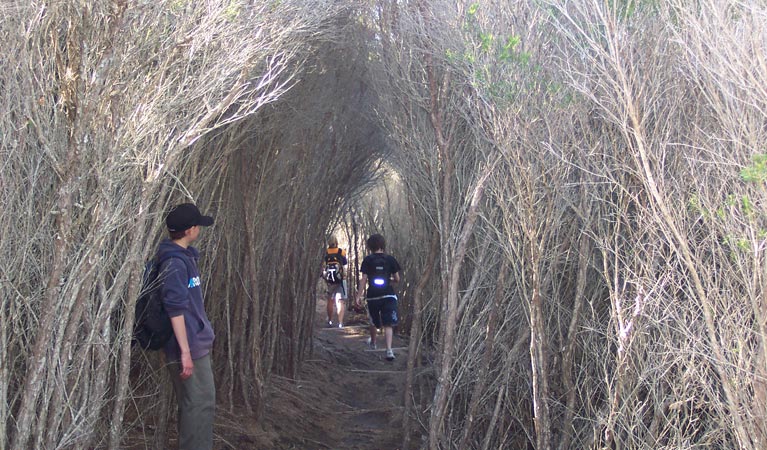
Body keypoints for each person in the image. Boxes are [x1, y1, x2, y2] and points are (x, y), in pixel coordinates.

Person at [158, 203, 216, 450]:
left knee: (198, 404)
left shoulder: (184, 257)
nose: (199, 229)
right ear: (190, 229)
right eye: (197, 226)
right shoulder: (174, 264)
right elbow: (175, 309)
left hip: (194, 342)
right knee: (199, 404)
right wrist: (185, 352)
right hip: (187, 345)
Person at [354, 234, 401, 361]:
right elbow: (397, 279)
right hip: (388, 295)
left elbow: (363, 279)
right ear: (382, 245)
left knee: (374, 321)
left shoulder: (368, 260)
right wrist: (388, 280)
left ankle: (373, 342)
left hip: (373, 296)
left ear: (370, 246)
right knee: (388, 324)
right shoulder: (390, 259)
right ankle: (389, 350)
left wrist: (359, 296)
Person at [323, 236, 348, 328]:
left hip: (330, 280)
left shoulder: (325, 253)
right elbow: (345, 264)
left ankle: (330, 321)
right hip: (341, 279)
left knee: (330, 300)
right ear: (336, 242)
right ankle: (340, 323)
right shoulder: (341, 252)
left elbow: (324, 266)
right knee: (340, 301)